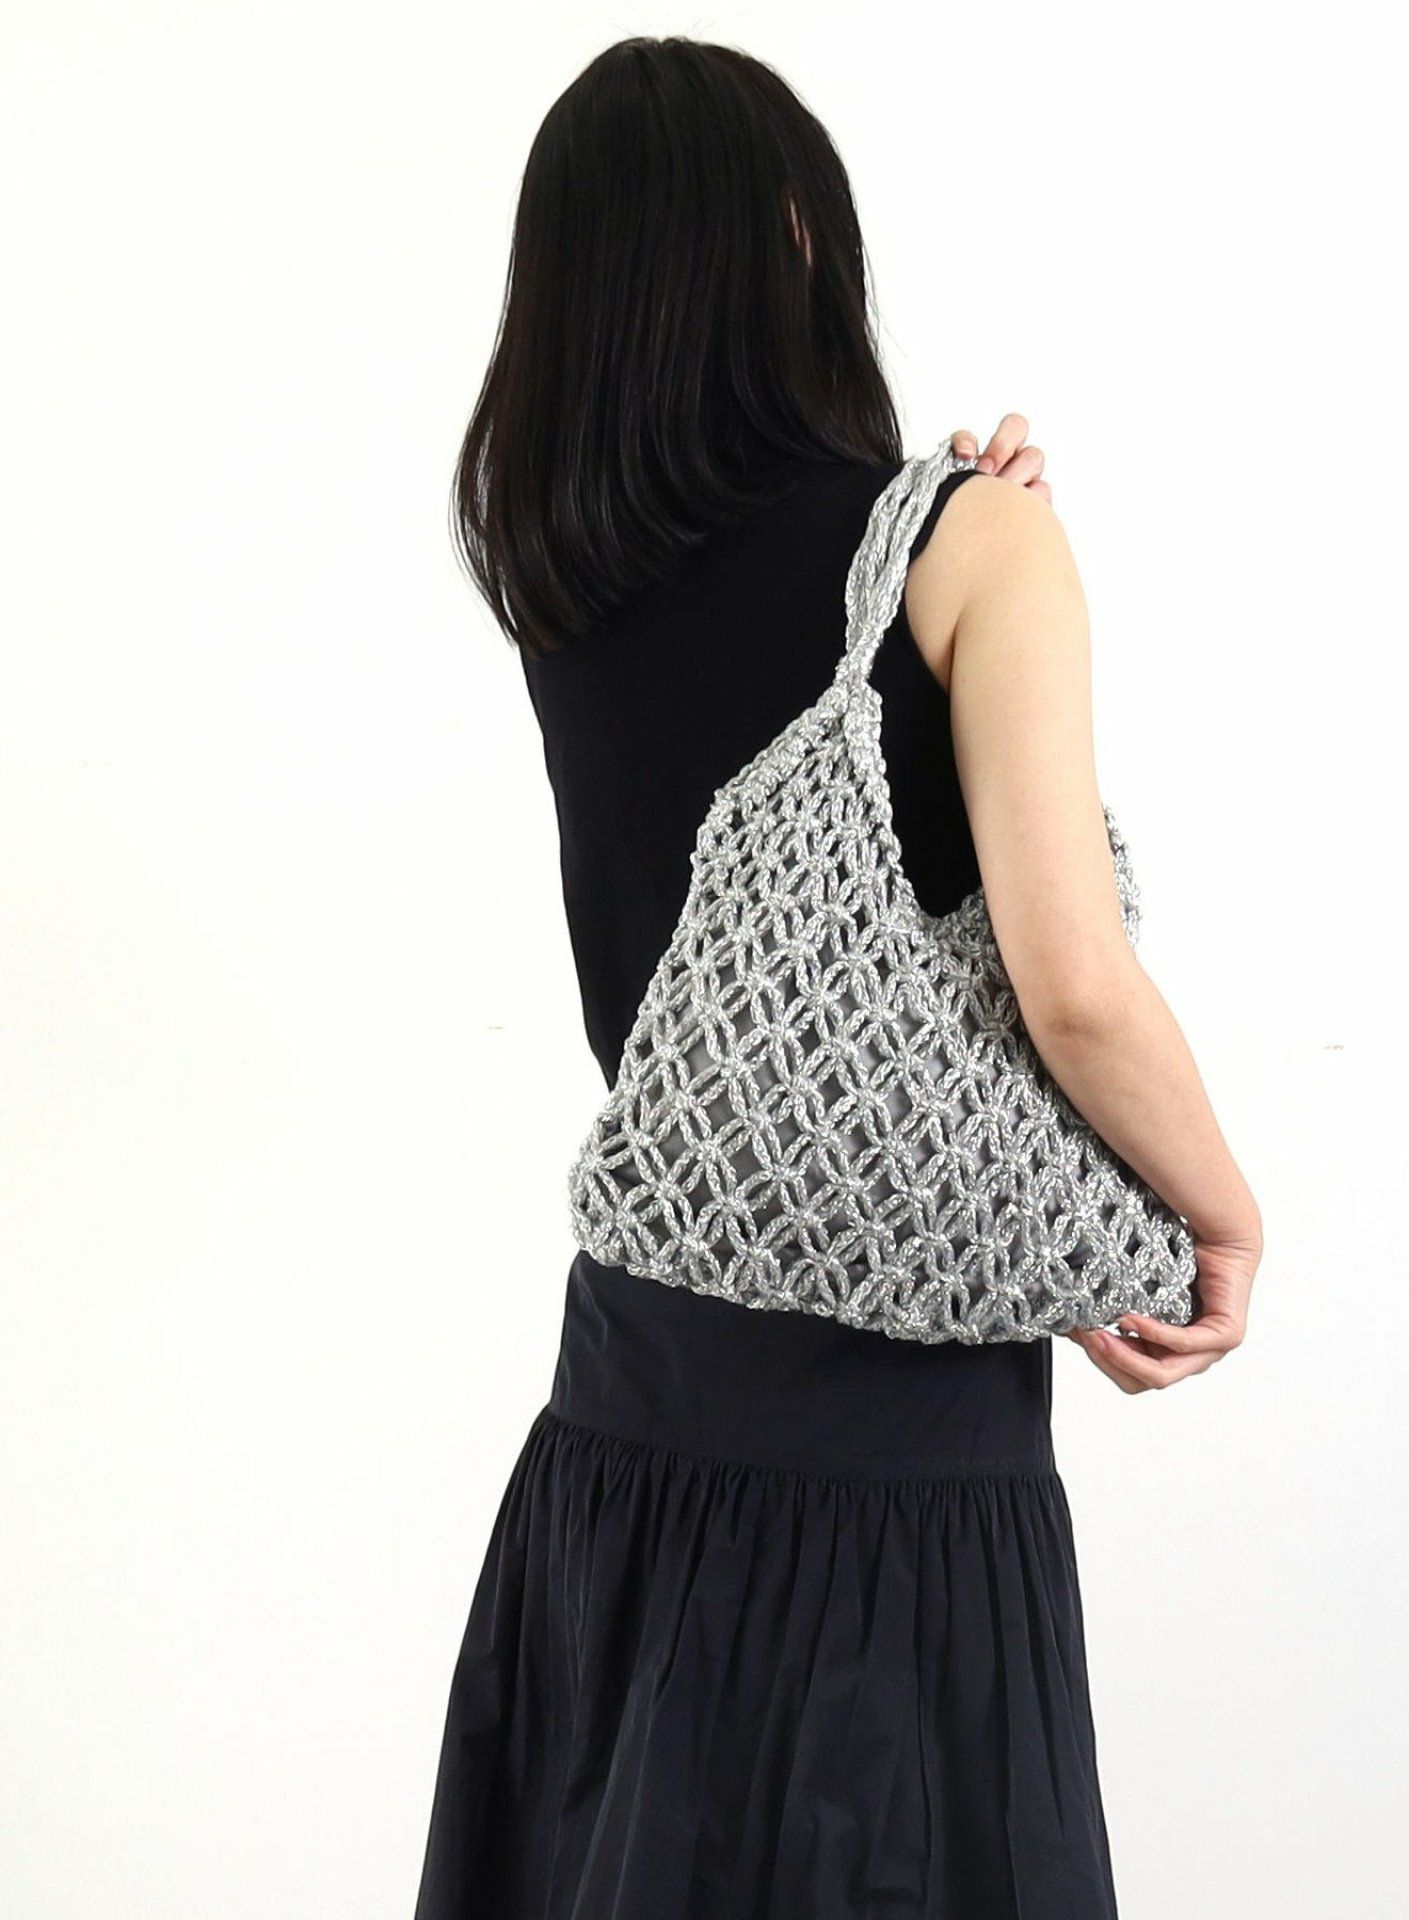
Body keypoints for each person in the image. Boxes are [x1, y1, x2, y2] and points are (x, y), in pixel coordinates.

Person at [413, 35, 1263, 1920]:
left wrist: (946, 511)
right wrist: (1220, 1213)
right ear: (801, 234)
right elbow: (1073, 986)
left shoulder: (563, 579)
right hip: (900, 1473)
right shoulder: (970, 546)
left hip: (627, 1427)